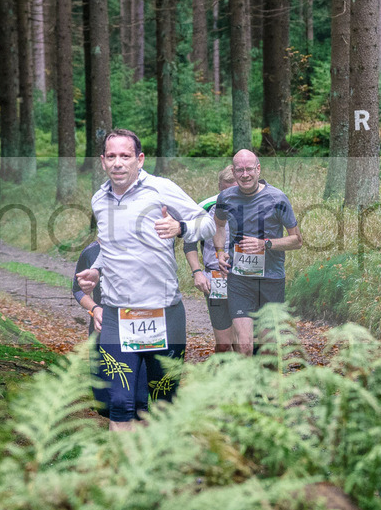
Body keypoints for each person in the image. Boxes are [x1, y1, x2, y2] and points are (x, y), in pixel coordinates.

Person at [75, 129, 213, 431]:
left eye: (125, 156)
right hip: (117, 315)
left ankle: (159, 469)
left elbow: (209, 222)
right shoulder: (99, 199)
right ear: (102, 161)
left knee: (163, 402)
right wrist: (96, 269)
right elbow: (108, 244)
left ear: (140, 159)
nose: (118, 163)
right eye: (111, 156)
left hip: (163, 313)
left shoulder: (161, 189)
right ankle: (123, 476)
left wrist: (180, 227)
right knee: (121, 403)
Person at [214, 149, 302, 356]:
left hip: (270, 278)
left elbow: (297, 240)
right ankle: (248, 387)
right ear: (233, 172)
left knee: (268, 345)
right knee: (244, 345)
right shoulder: (225, 197)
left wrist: (266, 244)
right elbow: (218, 226)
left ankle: (266, 386)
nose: (245, 175)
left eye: (249, 169)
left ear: (258, 169)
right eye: (239, 170)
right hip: (239, 279)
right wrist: (220, 252)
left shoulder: (277, 198)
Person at [183, 165, 237, 354]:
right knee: (223, 344)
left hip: (246, 278)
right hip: (216, 278)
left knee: (244, 341)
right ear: (219, 187)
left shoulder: (255, 203)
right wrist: (197, 273)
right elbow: (189, 244)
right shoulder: (205, 207)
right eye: (224, 191)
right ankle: (222, 380)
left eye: (234, 190)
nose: (229, 196)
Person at [71, 238, 110, 417]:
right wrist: (94, 308)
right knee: (101, 388)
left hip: (133, 323)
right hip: (101, 323)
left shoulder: (136, 248)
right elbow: (77, 289)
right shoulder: (90, 252)